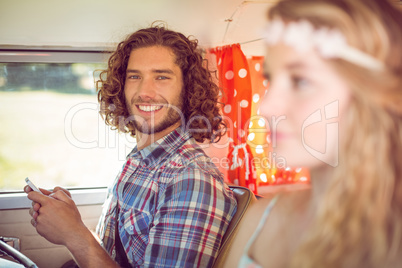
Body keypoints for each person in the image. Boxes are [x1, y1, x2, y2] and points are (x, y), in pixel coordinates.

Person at [24, 23, 237, 268]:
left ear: (188, 90)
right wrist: (70, 220)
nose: (144, 91)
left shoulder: (191, 179)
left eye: (161, 77)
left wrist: (74, 235)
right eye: (135, 76)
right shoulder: (140, 159)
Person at [221, 0, 402, 267]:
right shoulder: (261, 217)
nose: (267, 107)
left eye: (300, 80)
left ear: (374, 96)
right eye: (270, 78)